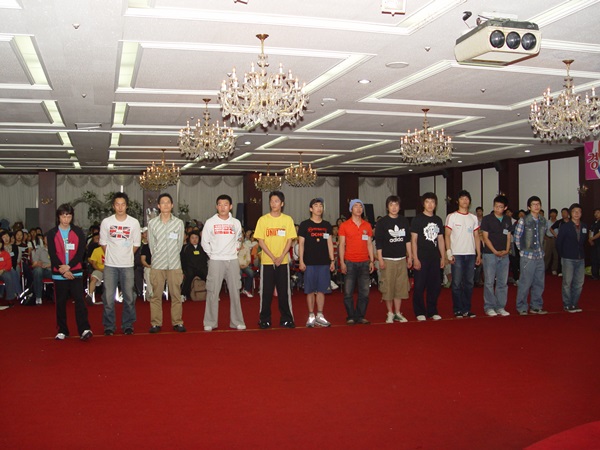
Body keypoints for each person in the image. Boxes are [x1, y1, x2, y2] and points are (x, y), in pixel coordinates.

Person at [46, 204, 92, 341]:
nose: (66, 219)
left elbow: (80, 253)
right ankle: (62, 330)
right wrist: (62, 270)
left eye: (69, 216)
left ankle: (84, 329)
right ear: (58, 217)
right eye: (63, 216)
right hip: (59, 273)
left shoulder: (78, 232)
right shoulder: (52, 233)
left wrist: (69, 267)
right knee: (60, 303)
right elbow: (52, 254)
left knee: (80, 301)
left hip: (75, 272)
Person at [201, 194, 246, 331]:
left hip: (232, 260)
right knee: (212, 292)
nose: (222, 207)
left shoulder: (236, 223)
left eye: (225, 204)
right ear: (216, 206)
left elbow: (239, 240)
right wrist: (212, 254)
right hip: (215, 261)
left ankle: (237, 321)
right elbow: (204, 242)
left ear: (230, 206)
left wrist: (234, 252)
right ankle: (210, 322)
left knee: (235, 291)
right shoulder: (210, 222)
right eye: (220, 204)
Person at [99, 192, 141, 336]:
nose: (120, 207)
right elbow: (103, 243)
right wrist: (113, 254)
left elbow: (136, 244)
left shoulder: (134, 223)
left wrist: (126, 254)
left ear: (127, 206)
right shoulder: (106, 222)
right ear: (113, 206)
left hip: (127, 265)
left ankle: (127, 325)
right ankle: (109, 326)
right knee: (108, 297)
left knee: (129, 297)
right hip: (110, 265)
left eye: (123, 204)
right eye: (117, 204)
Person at [254, 191, 297, 329]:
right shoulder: (263, 220)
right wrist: (273, 257)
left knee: (284, 292)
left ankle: (287, 319)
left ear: (282, 203)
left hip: (283, 262)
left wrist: (281, 256)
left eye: (276, 201)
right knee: (266, 292)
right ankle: (264, 319)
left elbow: (289, 240)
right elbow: (260, 241)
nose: (274, 204)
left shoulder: (287, 220)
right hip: (267, 262)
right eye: (272, 201)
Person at [148, 193, 186, 333]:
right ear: (158, 206)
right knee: (156, 296)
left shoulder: (179, 223)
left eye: (168, 202)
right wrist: (159, 256)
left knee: (176, 295)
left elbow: (179, 244)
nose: (165, 205)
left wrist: (173, 255)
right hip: (158, 264)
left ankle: (177, 322)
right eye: (162, 202)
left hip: (174, 264)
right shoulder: (152, 223)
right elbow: (152, 246)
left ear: (172, 205)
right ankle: (156, 323)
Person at [298, 197, 335, 328]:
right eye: (316, 206)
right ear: (311, 209)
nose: (319, 208)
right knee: (309, 290)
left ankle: (320, 315)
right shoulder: (304, 225)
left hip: (324, 263)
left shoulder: (327, 225)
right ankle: (311, 315)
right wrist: (301, 261)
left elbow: (329, 243)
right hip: (309, 263)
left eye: (321, 206)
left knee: (321, 290)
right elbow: (301, 244)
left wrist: (332, 260)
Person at [375, 195, 412, 323]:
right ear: (387, 207)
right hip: (387, 260)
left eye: (396, 205)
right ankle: (390, 312)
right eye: (391, 205)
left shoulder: (404, 221)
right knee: (388, 288)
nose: (394, 207)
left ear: (399, 207)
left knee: (400, 288)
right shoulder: (382, 222)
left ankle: (398, 312)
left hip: (401, 259)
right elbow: (379, 243)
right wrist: (380, 259)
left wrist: (410, 256)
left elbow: (407, 240)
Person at [445, 190, 481, 318]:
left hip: (470, 254)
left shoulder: (473, 218)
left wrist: (478, 254)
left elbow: (476, 236)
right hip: (457, 254)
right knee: (456, 283)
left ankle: (466, 309)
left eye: (467, 198)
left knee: (469, 283)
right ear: (457, 201)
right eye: (462, 198)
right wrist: (449, 253)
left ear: (469, 201)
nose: (465, 201)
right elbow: (447, 235)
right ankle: (457, 309)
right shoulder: (452, 216)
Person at [338, 199, 375, 325]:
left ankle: (360, 315)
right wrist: (342, 262)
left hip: (364, 262)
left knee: (364, 292)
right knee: (348, 292)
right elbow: (341, 245)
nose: (358, 209)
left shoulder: (367, 225)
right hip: (350, 262)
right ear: (351, 209)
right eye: (355, 206)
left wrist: (371, 260)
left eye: (360, 206)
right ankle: (350, 316)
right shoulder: (344, 225)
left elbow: (369, 244)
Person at [410, 192, 446, 321]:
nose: (430, 204)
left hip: (434, 257)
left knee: (435, 286)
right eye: (427, 202)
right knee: (419, 286)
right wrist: (415, 258)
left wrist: (443, 257)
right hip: (421, 257)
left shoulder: (438, 220)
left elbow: (440, 239)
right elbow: (414, 240)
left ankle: (432, 311)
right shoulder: (417, 219)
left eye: (432, 202)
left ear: (435, 204)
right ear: (423, 204)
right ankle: (419, 311)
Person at [514, 196, 547, 315]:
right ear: (529, 207)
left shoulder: (543, 220)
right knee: (525, 282)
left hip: (539, 256)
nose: (536, 206)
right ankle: (522, 307)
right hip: (527, 257)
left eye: (538, 204)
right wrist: (523, 251)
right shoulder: (523, 220)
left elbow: (543, 237)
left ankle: (536, 306)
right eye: (534, 204)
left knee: (539, 282)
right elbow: (517, 237)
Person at [480, 195, 512, 317]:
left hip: (504, 255)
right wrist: (494, 251)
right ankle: (489, 306)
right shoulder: (487, 219)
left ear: (505, 208)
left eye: (500, 207)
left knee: (502, 282)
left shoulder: (507, 219)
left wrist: (507, 250)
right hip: (490, 254)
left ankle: (500, 306)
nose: (498, 209)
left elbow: (508, 236)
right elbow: (485, 237)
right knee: (489, 282)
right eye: (496, 206)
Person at [556, 203, 588, 313]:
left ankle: (574, 303)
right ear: (570, 214)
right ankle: (567, 304)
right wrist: (563, 254)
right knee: (567, 283)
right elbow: (559, 242)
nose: (577, 213)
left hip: (580, 258)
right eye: (574, 211)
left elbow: (584, 242)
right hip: (568, 258)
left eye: (579, 212)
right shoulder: (565, 226)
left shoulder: (584, 226)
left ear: (581, 214)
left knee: (579, 283)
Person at [181, 230, 208, 300]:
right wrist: (183, 270)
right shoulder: (185, 248)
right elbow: (183, 260)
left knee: (208, 277)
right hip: (190, 268)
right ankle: (183, 294)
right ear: (189, 239)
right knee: (189, 276)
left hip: (201, 268)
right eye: (192, 238)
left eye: (196, 238)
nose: (194, 240)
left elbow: (205, 260)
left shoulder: (202, 247)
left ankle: (212, 294)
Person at [31, 235, 53, 305]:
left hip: (52, 270)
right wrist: (38, 264)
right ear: (43, 240)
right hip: (42, 270)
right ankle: (38, 297)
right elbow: (33, 264)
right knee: (37, 271)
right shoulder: (39, 250)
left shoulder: (56, 249)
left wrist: (49, 265)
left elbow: (60, 263)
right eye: (46, 239)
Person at [544, 209, 559, 274]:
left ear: (556, 214)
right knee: (547, 255)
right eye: (551, 213)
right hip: (548, 239)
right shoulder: (547, 222)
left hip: (556, 239)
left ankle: (554, 269)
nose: (553, 214)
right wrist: (545, 237)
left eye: (554, 213)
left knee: (556, 255)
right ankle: (544, 268)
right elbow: (543, 231)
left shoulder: (558, 222)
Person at [589, 208, 600, 280]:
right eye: (595, 213)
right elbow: (590, 231)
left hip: (599, 242)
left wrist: (592, 239)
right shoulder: (594, 223)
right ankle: (594, 275)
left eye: (598, 212)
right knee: (594, 259)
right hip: (593, 244)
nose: (596, 214)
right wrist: (590, 239)